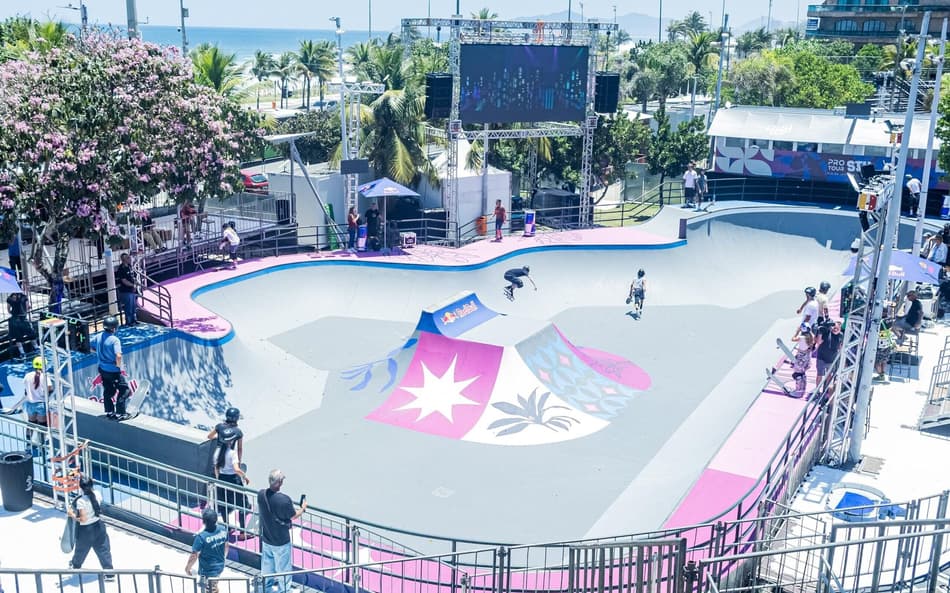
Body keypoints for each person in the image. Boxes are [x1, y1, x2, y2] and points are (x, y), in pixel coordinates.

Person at [258, 469, 307, 593]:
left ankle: (265, 589)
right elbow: (293, 516)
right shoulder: (284, 500)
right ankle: (283, 591)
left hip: (266, 539)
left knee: (267, 569)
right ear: (279, 483)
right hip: (281, 541)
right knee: (283, 570)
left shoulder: (261, 495)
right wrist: (303, 508)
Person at [66, 475, 114, 577]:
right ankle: (110, 573)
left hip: (86, 530)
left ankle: (75, 566)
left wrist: (72, 515)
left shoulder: (81, 501)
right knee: (103, 550)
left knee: (81, 550)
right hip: (99, 526)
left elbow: (83, 519)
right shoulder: (98, 494)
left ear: (81, 487)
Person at [90, 316, 131, 420]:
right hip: (113, 370)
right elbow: (118, 355)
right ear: (114, 328)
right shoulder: (115, 340)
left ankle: (109, 411)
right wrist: (119, 366)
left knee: (108, 390)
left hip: (102, 369)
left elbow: (89, 346)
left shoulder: (99, 336)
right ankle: (120, 413)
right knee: (124, 390)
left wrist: (97, 352)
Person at [213, 426, 250, 538]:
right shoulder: (232, 453)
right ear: (231, 441)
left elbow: (216, 469)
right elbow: (237, 469)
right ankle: (243, 532)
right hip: (233, 480)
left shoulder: (217, 452)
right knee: (243, 506)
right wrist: (245, 477)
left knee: (224, 505)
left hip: (222, 480)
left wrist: (218, 479)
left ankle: (227, 527)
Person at [6, 357, 52, 446]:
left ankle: (28, 443)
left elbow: (26, 390)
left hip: (30, 403)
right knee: (43, 424)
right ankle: (42, 442)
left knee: (31, 423)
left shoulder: (28, 376)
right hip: (41, 404)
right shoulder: (45, 377)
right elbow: (50, 389)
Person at [185, 507, 229, 593]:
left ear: (204, 522)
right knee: (213, 587)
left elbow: (194, 556)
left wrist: (188, 568)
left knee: (210, 589)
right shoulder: (223, 530)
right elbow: (226, 547)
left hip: (207, 570)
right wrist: (223, 559)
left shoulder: (201, 537)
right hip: (220, 566)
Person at [815, 320, 843, 389]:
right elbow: (818, 341)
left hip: (831, 359)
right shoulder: (826, 332)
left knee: (829, 375)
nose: (835, 329)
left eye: (837, 328)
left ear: (840, 328)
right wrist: (820, 332)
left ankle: (826, 390)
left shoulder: (841, 335)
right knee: (819, 374)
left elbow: (840, 347)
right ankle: (817, 390)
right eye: (834, 327)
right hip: (821, 358)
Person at [791, 324, 815, 398]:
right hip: (807, 358)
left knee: (797, 374)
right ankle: (802, 390)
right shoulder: (811, 337)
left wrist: (797, 331)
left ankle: (798, 391)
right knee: (803, 374)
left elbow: (792, 339)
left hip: (801, 358)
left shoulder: (802, 337)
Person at [116, 253, 137, 326]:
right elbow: (124, 280)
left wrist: (135, 285)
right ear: (124, 260)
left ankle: (134, 320)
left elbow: (133, 276)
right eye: (128, 258)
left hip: (131, 290)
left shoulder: (129, 266)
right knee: (128, 307)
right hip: (125, 291)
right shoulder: (121, 269)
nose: (129, 259)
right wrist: (132, 285)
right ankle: (129, 321)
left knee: (133, 306)